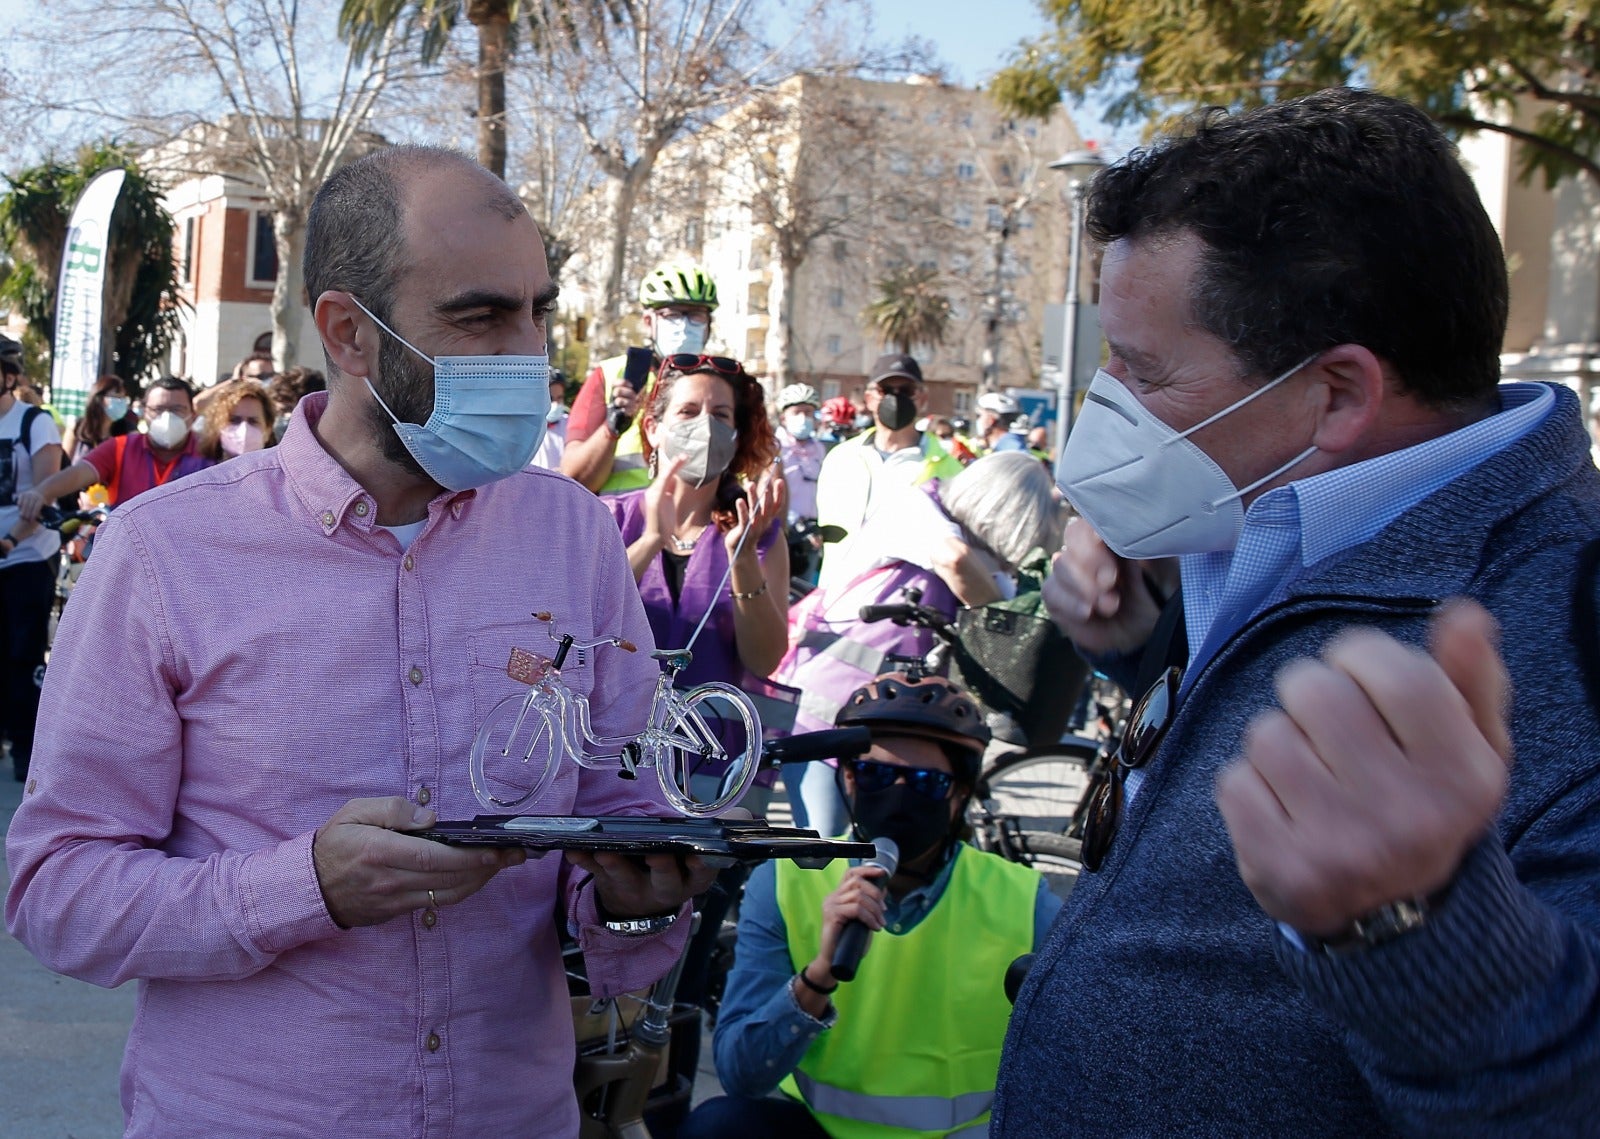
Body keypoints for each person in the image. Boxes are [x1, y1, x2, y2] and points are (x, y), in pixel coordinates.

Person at [5, 144, 714, 1138]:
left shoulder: (572, 537)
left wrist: (639, 898)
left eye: (538, 311)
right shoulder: (164, 552)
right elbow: (59, 890)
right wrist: (304, 887)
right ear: (348, 332)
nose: (527, 351)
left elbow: (617, 810)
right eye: (480, 316)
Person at [993, 89, 1600, 1136]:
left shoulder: (1567, 625)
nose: (1106, 401)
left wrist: (1412, 929)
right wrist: (1145, 647)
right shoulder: (1272, 505)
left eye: (1144, 370)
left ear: (1338, 395)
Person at [682, 672, 1059, 1139]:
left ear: (960, 793)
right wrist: (818, 976)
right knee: (718, 1126)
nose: (898, 795)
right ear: (847, 778)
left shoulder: (1024, 899)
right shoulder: (784, 882)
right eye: (875, 775)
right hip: (823, 1131)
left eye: (925, 782)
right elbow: (741, 1075)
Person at [776, 452, 1064, 835]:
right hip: (824, 717)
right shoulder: (915, 508)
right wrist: (1003, 622)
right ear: (1000, 514)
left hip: (890, 729)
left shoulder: (985, 556)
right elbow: (955, 562)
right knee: (822, 848)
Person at [563, 262, 720, 494]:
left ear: (708, 325)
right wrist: (612, 427)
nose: (684, 326)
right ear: (648, 322)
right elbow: (573, 479)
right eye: (672, 315)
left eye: (696, 315)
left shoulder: (722, 384)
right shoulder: (609, 374)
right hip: (619, 516)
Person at [813, 354, 962, 591]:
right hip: (837, 595)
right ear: (869, 398)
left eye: (906, 390)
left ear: (922, 398)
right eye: (886, 390)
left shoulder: (949, 469)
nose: (896, 398)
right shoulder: (841, 458)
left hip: (909, 602)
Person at [0, 339, 63, 783]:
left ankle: (26, 748)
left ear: (9, 376)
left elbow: (46, 490)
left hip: (25, 554)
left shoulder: (33, 422)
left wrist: (9, 540)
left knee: (22, 654)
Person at [195, 379, 276, 462]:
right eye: (234, 420)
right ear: (217, 426)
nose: (244, 429)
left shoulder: (279, 469)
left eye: (253, 421)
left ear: (268, 430)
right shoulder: (198, 468)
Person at [64, 374, 139, 463]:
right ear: (100, 399)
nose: (121, 401)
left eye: (123, 397)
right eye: (117, 396)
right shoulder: (77, 427)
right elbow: (64, 464)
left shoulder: (129, 431)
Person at [529, 367, 569, 471]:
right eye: (550, 398)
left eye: (559, 398)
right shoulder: (526, 428)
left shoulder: (569, 424)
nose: (555, 404)